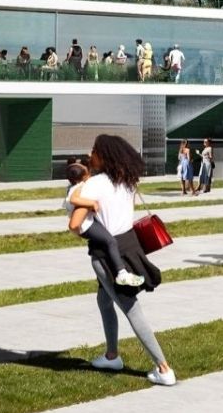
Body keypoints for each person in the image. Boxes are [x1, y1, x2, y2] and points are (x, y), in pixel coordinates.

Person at [67, 135, 174, 385]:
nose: (90, 154)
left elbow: (75, 224)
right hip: (130, 246)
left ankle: (164, 368)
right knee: (104, 301)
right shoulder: (127, 180)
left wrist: (81, 223)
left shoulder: (94, 184)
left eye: (93, 150)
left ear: (103, 156)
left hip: (106, 256)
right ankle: (112, 355)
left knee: (131, 308)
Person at [65, 161, 145, 288]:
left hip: (87, 224)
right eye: (87, 172)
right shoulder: (78, 187)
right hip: (86, 225)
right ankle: (121, 273)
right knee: (111, 241)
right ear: (83, 177)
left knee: (108, 241)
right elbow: (74, 200)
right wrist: (92, 204)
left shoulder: (73, 186)